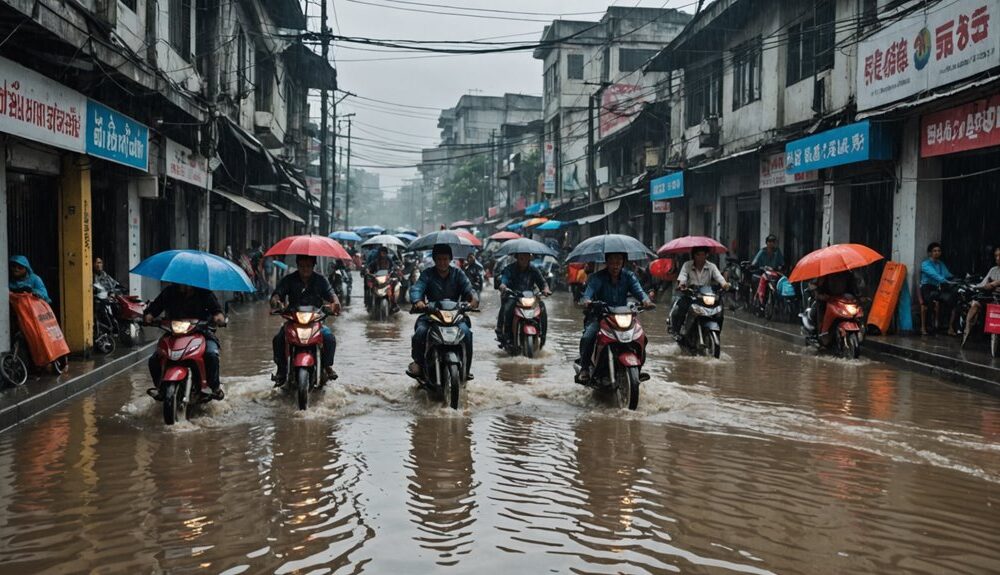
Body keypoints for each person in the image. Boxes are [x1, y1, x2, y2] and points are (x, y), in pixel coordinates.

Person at [576, 253, 654, 382]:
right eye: (612, 261)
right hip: (600, 316)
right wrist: (587, 301)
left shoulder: (629, 276)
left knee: (642, 337)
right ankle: (584, 369)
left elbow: (639, 291)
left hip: (623, 315)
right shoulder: (597, 278)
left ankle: (638, 369)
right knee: (588, 337)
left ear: (623, 262)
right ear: (607, 262)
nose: (615, 265)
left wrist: (646, 301)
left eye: (619, 261)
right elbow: (588, 293)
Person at [407, 244, 479, 379]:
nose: (442, 262)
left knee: (467, 333)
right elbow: (417, 288)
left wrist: (473, 299)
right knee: (420, 332)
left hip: (456, 317)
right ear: (434, 259)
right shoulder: (427, 274)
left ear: (450, 259)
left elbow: (469, 290)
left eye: (445, 259)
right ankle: (419, 364)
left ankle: (466, 369)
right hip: (432, 315)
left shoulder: (458, 274)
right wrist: (418, 301)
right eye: (439, 259)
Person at [144, 283, 226, 399]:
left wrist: (219, 317)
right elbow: (154, 308)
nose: (184, 285)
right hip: (174, 333)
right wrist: (149, 315)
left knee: (211, 355)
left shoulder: (204, 292)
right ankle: (160, 388)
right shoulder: (169, 292)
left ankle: (215, 388)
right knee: (154, 359)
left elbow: (217, 311)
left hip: (202, 332)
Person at [270, 255, 341, 386]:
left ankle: (327, 366)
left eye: (308, 266)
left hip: (315, 320)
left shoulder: (321, 280)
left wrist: (335, 303)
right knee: (278, 339)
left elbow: (331, 294)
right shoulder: (289, 280)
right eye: (302, 266)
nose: (305, 269)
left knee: (329, 338)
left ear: (313, 266)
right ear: (297, 266)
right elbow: (277, 294)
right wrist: (276, 302)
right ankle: (281, 370)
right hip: (293, 320)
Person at [670, 247, 730, 338]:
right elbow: (683, 276)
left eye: (703, 254)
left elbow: (719, 277)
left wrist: (725, 285)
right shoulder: (687, 265)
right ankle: (677, 332)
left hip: (706, 296)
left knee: (719, 310)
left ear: (707, 255)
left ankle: (717, 333)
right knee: (680, 309)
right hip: (691, 295)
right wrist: (682, 284)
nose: (701, 257)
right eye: (698, 254)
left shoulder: (711, 266)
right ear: (694, 255)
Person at [496, 252, 551, 347]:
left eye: (526, 258)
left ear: (529, 258)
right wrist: (503, 285)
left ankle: (542, 335)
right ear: (517, 258)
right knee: (508, 308)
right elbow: (504, 279)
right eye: (522, 258)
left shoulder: (534, 269)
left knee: (542, 306)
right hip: (513, 296)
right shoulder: (510, 269)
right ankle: (507, 336)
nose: (524, 260)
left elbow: (543, 283)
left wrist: (546, 289)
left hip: (529, 297)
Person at [963, 246, 1000, 347]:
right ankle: (967, 327)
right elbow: (983, 283)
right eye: (996, 256)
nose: (997, 258)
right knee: (975, 303)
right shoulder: (993, 270)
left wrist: (995, 284)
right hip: (991, 298)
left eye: (999, 256)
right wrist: (975, 286)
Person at [804, 270, 860, 334]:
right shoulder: (824, 275)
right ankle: (821, 333)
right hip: (827, 300)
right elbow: (814, 286)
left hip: (843, 301)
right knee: (821, 311)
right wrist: (819, 294)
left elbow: (854, 288)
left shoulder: (848, 274)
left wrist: (858, 296)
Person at [920, 242, 957, 335]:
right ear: (930, 253)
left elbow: (947, 274)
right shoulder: (925, 264)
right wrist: (946, 281)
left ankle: (949, 327)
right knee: (932, 300)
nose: (937, 252)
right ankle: (928, 326)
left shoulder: (941, 264)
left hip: (936, 288)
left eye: (939, 251)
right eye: (934, 251)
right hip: (926, 288)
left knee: (952, 300)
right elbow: (934, 275)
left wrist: (955, 279)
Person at [365, 246, 400, 312]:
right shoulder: (376, 261)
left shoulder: (389, 260)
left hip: (387, 279)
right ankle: (370, 305)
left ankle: (394, 304)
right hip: (378, 280)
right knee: (370, 288)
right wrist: (367, 270)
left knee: (394, 287)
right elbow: (369, 267)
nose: (383, 254)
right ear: (379, 253)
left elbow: (394, 266)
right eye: (382, 253)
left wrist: (396, 270)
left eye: (384, 253)